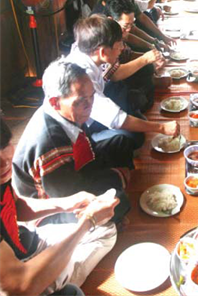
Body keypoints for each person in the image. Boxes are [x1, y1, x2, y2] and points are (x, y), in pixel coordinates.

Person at [0, 115, 119, 296]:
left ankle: (58, 273)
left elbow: (15, 206)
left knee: (107, 229)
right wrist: (88, 221)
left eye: (4, 145)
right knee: (72, 292)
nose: (4, 161)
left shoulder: (2, 176)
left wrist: (68, 202)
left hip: (27, 242)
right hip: (21, 277)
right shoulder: (47, 136)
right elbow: (19, 286)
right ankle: (56, 279)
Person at [12, 60, 132, 225]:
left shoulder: (65, 111)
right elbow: (68, 197)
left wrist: (111, 175)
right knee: (119, 201)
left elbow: (90, 148)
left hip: (72, 169)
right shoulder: (49, 144)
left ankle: (118, 185)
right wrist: (114, 177)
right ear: (55, 102)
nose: (90, 105)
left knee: (121, 142)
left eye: (92, 97)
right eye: (82, 100)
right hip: (52, 209)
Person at [66, 15, 179, 148]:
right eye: (118, 46)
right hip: (78, 135)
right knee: (132, 137)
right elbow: (116, 119)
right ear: (103, 52)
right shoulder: (82, 79)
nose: (122, 49)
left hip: (90, 116)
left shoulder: (90, 52)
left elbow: (114, 74)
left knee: (139, 122)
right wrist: (161, 127)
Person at [105, 0, 164, 113]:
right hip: (108, 90)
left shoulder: (118, 33)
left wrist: (151, 56)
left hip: (118, 81)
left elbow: (127, 54)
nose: (129, 30)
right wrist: (145, 58)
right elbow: (114, 74)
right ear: (111, 20)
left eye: (131, 25)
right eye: (126, 26)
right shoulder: (103, 38)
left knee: (147, 68)